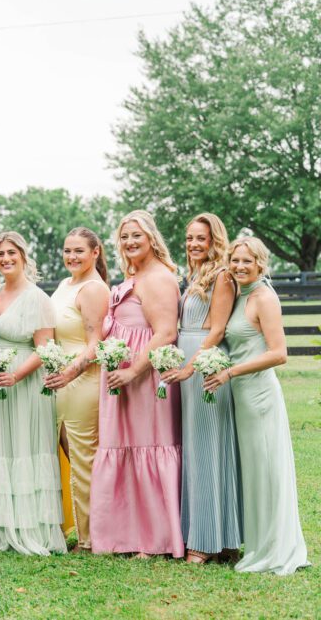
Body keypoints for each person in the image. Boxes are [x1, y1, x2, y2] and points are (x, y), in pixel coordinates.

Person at [203, 237, 309, 575]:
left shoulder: (264, 297)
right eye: (235, 261)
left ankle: (275, 550)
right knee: (252, 473)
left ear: (261, 263)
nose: (239, 266)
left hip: (260, 397)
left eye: (247, 261)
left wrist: (229, 371)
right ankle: (259, 542)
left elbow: (279, 353)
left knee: (267, 471)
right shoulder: (239, 295)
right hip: (241, 397)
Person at [89, 210, 183, 558]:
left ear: (151, 238)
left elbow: (166, 333)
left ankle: (154, 538)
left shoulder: (158, 278)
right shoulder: (135, 274)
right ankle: (126, 534)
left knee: (147, 445)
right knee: (123, 446)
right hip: (121, 378)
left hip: (144, 379)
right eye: (125, 236)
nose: (130, 242)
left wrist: (132, 371)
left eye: (136, 236)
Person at [159, 213, 241, 564]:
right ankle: (218, 538)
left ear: (214, 240)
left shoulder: (222, 276)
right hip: (188, 359)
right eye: (190, 237)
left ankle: (205, 543)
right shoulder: (193, 275)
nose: (193, 244)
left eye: (201, 238)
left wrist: (189, 368)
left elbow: (218, 330)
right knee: (196, 448)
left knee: (209, 449)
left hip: (205, 365)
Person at [0, 231, 66, 555]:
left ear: (23, 256)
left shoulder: (37, 298)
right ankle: (1, 526)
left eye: (11, 254)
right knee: (1, 447)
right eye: (0, 254)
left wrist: (16, 374)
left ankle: (31, 526)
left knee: (24, 447)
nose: (5, 259)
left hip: (26, 382)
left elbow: (46, 348)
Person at [45, 227, 109, 552]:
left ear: (95, 252)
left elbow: (95, 345)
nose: (72, 256)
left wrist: (69, 374)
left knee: (85, 457)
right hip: (60, 381)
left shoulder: (94, 289)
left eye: (79, 251)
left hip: (82, 380)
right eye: (67, 250)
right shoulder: (64, 285)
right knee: (67, 454)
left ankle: (91, 538)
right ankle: (72, 529)